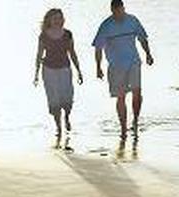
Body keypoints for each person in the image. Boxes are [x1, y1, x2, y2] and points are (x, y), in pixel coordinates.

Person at [92, 0, 154, 139]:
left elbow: (142, 38)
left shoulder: (132, 20)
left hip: (134, 62)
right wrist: (98, 67)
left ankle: (136, 121)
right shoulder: (106, 25)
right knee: (121, 97)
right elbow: (98, 48)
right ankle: (123, 128)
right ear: (111, 10)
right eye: (115, 11)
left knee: (137, 92)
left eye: (120, 10)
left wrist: (148, 54)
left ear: (123, 8)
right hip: (116, 66)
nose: (118, 14)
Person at [33, 8, 83, 144]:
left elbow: (72, 52)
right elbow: (39, 54)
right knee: (54, 99)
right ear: (49, 20)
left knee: (67, 97)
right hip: (49, 70)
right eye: (55, 18)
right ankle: (58, 127)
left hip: (65, 69)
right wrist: (36, 74)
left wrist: (79, 70)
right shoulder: (44, 35)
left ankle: (67, 116)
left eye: (60, 18)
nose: (58, 21)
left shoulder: (67, 34)